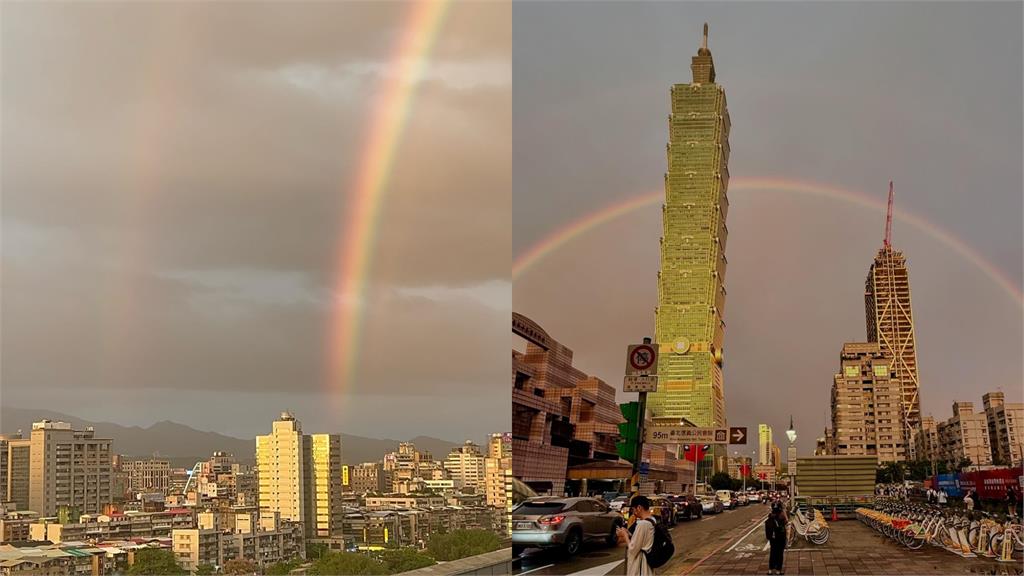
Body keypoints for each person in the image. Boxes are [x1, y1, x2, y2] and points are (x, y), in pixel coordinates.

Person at [617, 495, 655, 576]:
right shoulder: (652, 521)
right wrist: (629, 534)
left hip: (640, 567)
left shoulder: (642, 524)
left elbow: (633, 549)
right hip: (645, 565)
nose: (633, 512)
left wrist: (625, 535)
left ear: (639, 507)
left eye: (633, 509)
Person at [765, 499, 788, 575]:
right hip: (781, 537)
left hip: (772, 537)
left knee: (773, 552)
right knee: (780, 553)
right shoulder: (782, 516)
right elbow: (786, 521)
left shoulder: (770, 516)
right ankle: (778, 570)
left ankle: (770, 570)